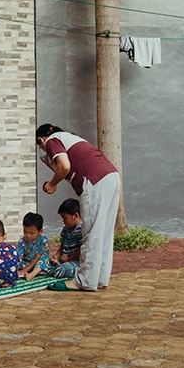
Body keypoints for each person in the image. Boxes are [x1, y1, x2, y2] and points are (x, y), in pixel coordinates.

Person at [36, 123, 120, 292]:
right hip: (111, 176)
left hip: (94, 180)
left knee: (92, 233)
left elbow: (65, 166)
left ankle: (84, 281)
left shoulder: (51, 141)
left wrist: (52, 184)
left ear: (41, 140)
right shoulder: (69, 137)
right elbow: (67, 168)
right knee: (104, 232)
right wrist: (52, 167)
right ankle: (100, 278)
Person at [51, 198, 83, 280]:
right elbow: (62, 246)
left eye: (65, 218)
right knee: (45, 263)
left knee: (62, 270)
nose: (63, 221)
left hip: (76, 263)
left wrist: (69, 259)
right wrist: (56, 257)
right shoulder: (66, 229)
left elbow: (82, 249)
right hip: (63, 261)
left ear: (75, 216)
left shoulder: (82, 229)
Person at [18, 212, 52, 280]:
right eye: (25, 232)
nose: (28, 235)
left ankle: (32, 275)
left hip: (38, 265)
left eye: (32, 233)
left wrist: (24, 271)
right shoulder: (22, 241)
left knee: (45, 259)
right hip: (26, 264)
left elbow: (39, 257)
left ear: (40, 231)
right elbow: (19, 255)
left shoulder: (43, 241)